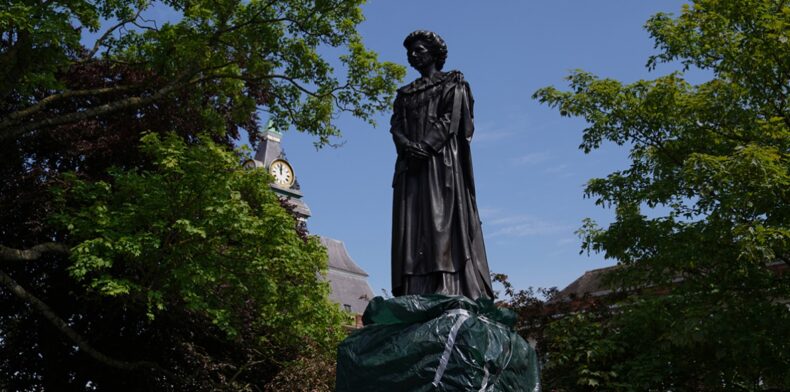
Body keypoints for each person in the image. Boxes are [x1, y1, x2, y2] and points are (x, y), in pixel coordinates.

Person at [390, 30, 493, 299]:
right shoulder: (404, 94)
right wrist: (407, 146)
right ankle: (414, 289)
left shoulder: (453, 83)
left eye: (419, 49)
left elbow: (453, 118)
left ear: (435, 54)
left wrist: (425, 146)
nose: (413, 55)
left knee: (441, 223)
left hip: (440, 164)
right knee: (413, 227)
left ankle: (445, 284)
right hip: (411, 167)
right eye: (410, 51)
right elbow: (396, 126)